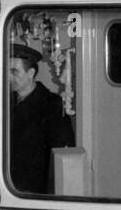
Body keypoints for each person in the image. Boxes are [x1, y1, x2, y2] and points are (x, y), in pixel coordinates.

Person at [8, 43, 75, 194]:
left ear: (31, 73)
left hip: (34, 192)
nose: (8, 77)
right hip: (8, 188)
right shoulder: (3, 103)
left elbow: (59, 156)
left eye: (14, 71)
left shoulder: (51, 105)